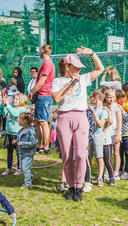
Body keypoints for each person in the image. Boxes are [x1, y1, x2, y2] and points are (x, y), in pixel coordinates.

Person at [51, 48, 104, 201]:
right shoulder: (58, 81)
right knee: (67, 156)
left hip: (81, 117)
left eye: (80, 67)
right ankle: (72, 187)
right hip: (64, 118)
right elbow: (56, 98)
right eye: (76, 67)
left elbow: (100, 69)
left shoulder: (84, 78)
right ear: (67, 66)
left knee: (81, 155)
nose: (79, 69)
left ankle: (79, 186)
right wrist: (71, 83)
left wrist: (93, 53)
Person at [28, 44, 56, 155]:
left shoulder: (47, 63)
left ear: (42, 51)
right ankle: (39, 146)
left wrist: (32, 92)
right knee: (37, 121)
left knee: (43, 122)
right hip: (41, 96)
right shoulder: (46, 63)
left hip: (44, 96)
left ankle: (46, 147)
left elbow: (41, 81)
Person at [1, 93, 28, 176]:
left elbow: (15, 114)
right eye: (14, 99)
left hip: (18, 134)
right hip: (9, 133)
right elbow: (2, 112)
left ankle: (19, 169)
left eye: (17, 99)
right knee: (9, 151)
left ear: (22, 100)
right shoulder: (11, 107)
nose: (14, 100)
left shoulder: (22, 109)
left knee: (18, 152)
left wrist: (8, 105)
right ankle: (9, 168)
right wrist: (2, 105)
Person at [88, 89, 109, 188]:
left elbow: (100, 124)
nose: (90, 99)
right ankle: (87, 177)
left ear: (96, 98)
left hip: (98, 136)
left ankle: (100, 178)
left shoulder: (103, 111)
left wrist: (93, 112)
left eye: (91, 97)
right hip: (89, 136)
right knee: (88, 157)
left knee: (99, 158)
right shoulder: (91, 109)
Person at [103, 88, 122, 181]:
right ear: (105, 97)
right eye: (109, 97)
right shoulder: (104, 106)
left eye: (113, 97)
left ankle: (116, 171)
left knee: (116, 152)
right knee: (108, 154)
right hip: (107, 133)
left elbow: (119, 122)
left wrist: (118, 134)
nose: (111, 99)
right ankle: (107, 171)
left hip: (115, 133)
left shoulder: (116, 107)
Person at [15, 112, 37, 189]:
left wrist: (22, 143)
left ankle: (28, 183)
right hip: (21, 153)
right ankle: (29, 176)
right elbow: (20, 139)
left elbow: (33, 143)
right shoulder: (21, 130)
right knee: (23, 168)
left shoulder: (30, 131)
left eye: (19, 119)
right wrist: (16, 141)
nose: (18, 121)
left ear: (24, 121)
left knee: (25, 169)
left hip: (28, 154)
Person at [116, 89, 128, 180]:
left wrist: (123, 111)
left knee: (127, 153)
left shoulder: (127, 107)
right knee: (120, 153)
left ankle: (127, 170)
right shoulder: (116, 107)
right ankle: (119, 169)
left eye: (123, 98)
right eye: (119, 98)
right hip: (120, 134)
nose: (122, 100)